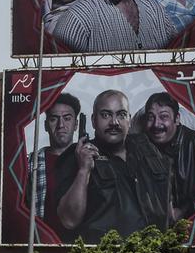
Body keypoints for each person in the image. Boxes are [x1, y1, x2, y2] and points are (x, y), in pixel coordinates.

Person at [55, 90, 171, 242]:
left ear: (129, 120)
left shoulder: (145, 146)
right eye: (106, 115)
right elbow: (69, 220)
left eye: (121, 115)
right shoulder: (76, 155)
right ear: (93, 120)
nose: (114, 122)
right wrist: (84, 170)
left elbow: (169, 193)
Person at [25, 93, 80, 238]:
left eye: (67, 118)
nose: (61, 125)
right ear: (45, 125)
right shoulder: (30, 163)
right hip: (42, 243)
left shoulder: (88, 159)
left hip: (82, 242)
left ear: (76, 124)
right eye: (54, 119)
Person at [144, 92, 195, 221]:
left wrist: (182, 211)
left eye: (164, 117)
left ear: (177, 119)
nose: (156, 124)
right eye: (151, 117)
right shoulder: (141, 148)